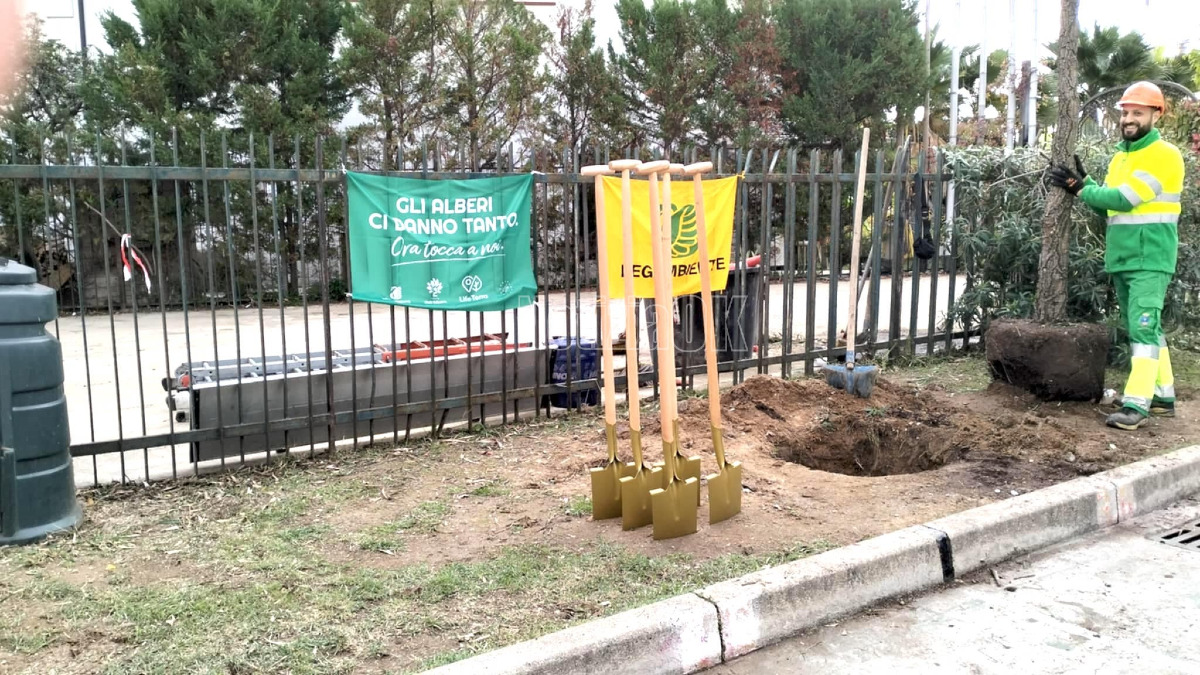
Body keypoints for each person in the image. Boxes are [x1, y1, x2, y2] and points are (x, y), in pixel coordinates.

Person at [1048, 81, 1186, 430]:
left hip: (1150, 257)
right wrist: (1089, 183)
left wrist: (1081, 188)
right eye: (1125, 112)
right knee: (1146, 326)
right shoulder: (1122, 156)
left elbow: (1125, 198)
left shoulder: (1164, 155)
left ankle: (1136, 405)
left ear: (1157, 114)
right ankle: (1162, 397)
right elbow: (1110, 208)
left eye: (1137, 112)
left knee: (1142, 329)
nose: (1129, 118)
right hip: (1125, 257)